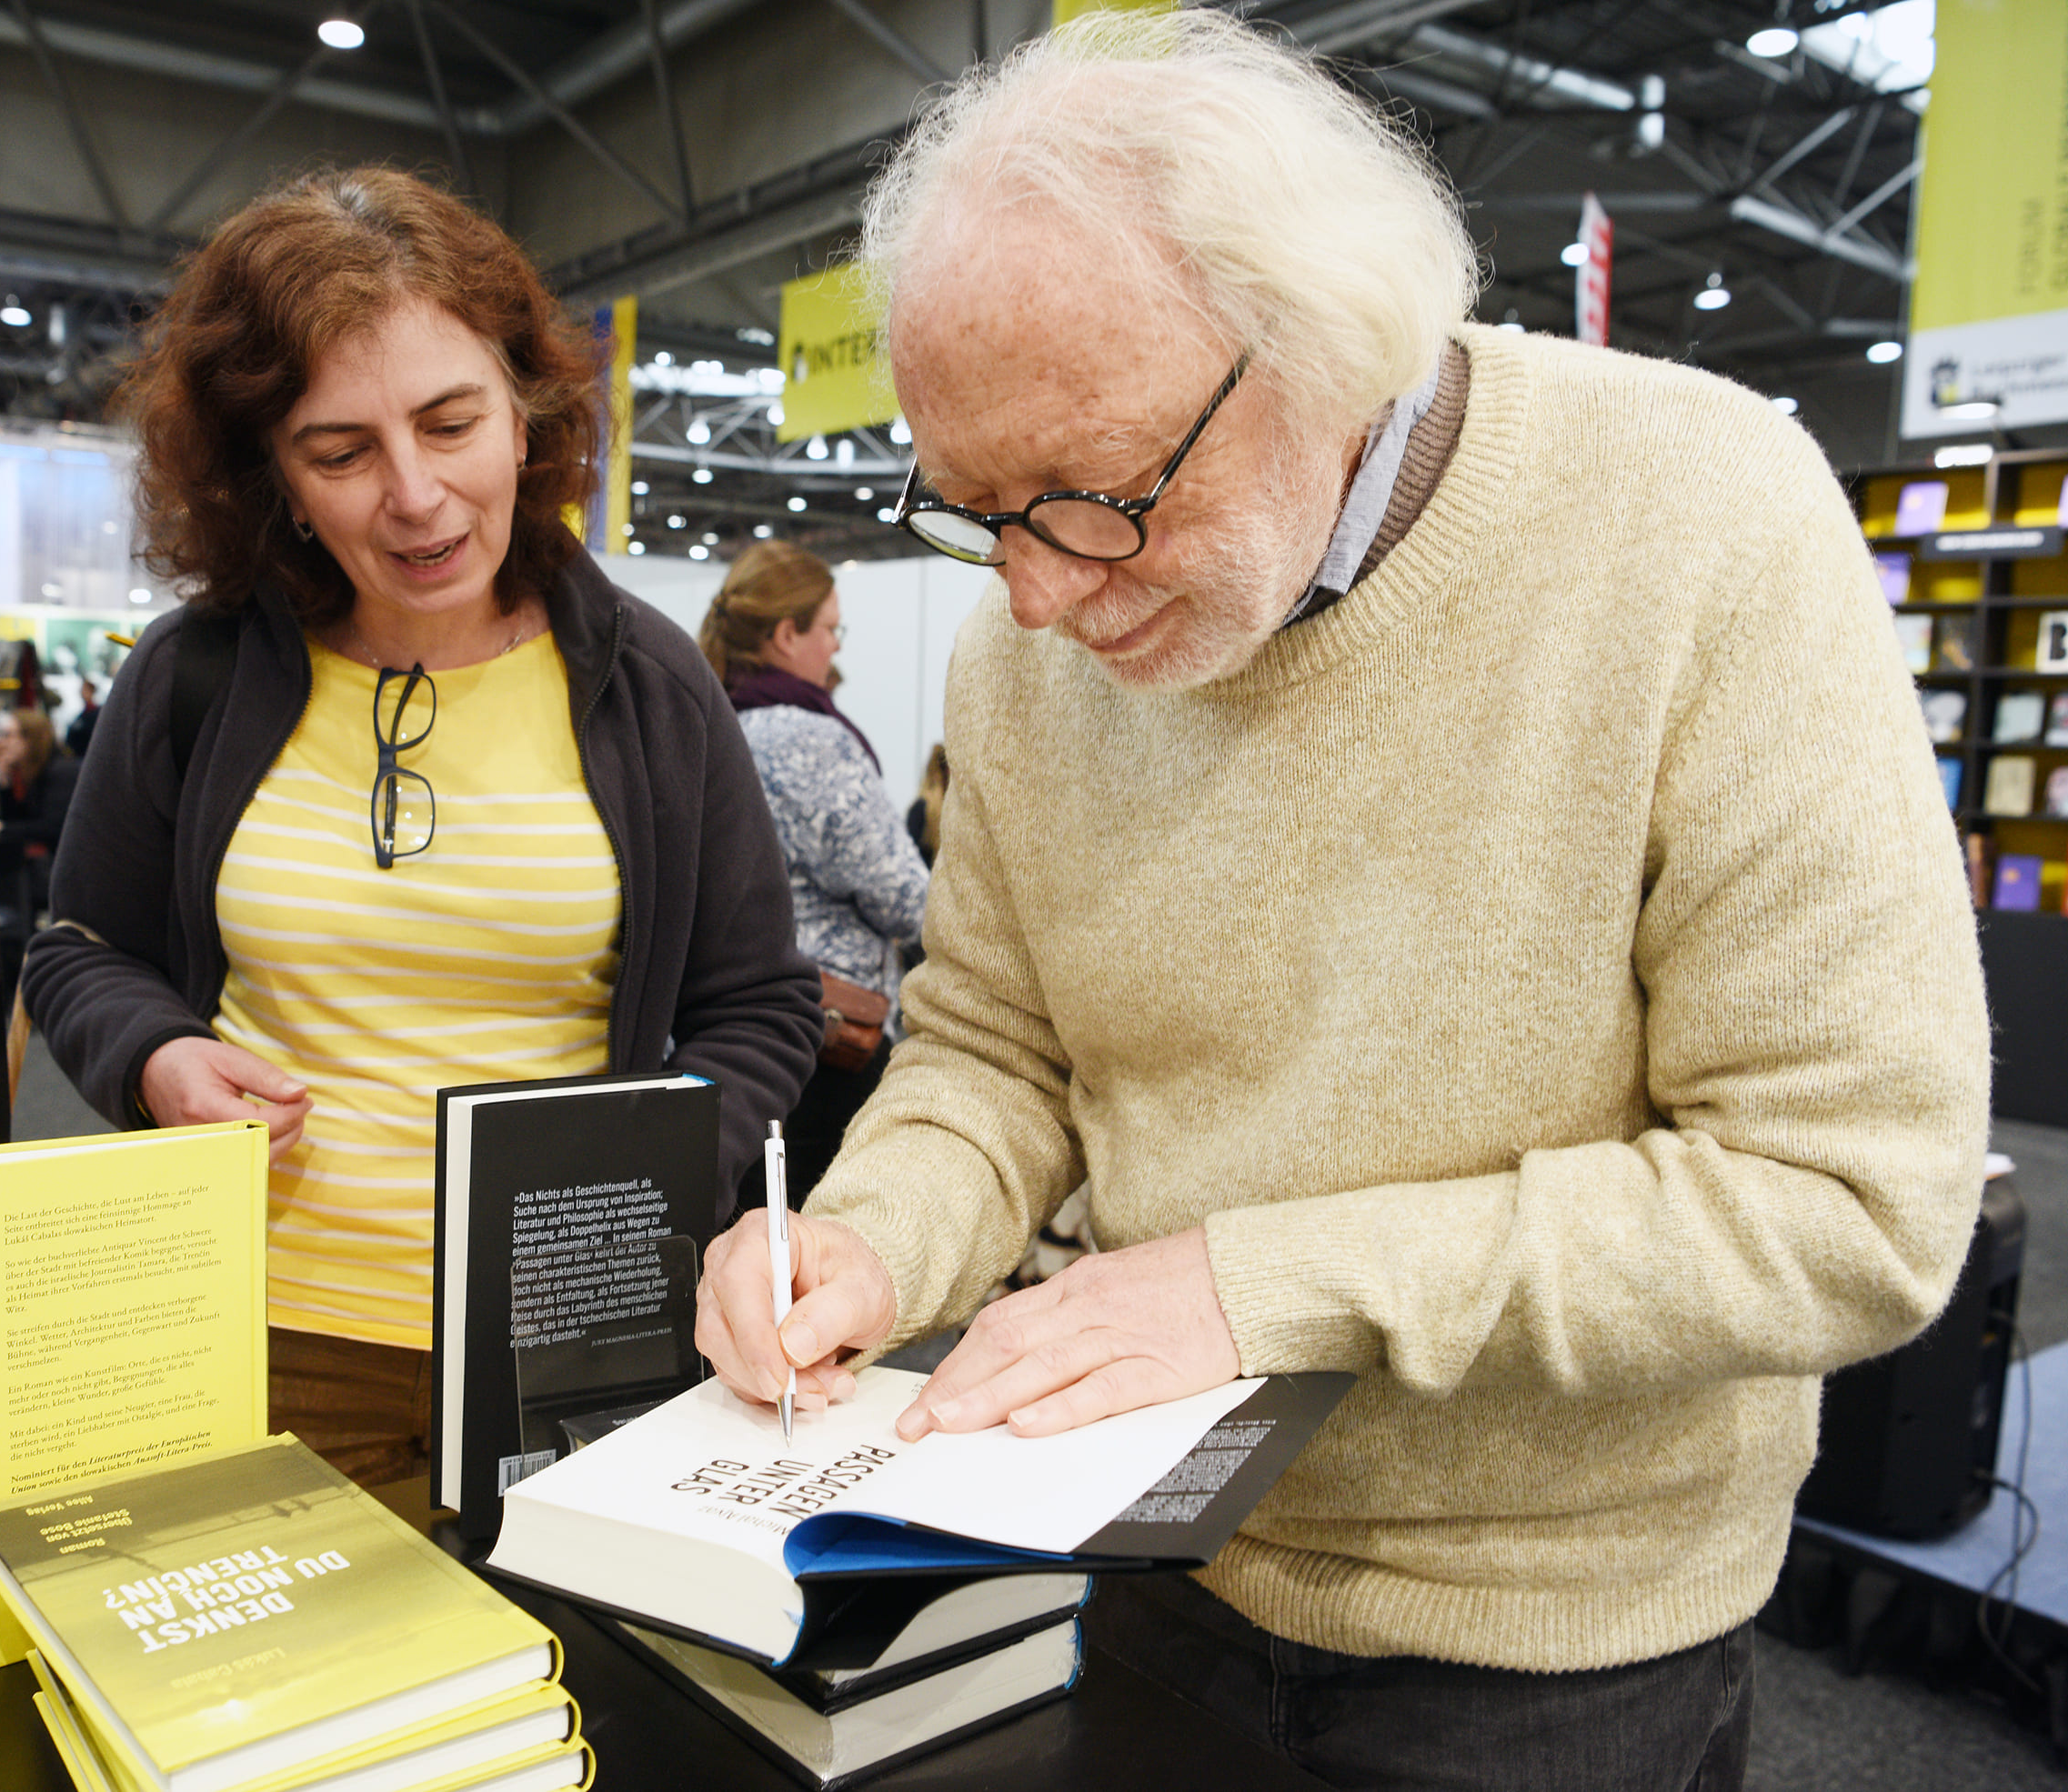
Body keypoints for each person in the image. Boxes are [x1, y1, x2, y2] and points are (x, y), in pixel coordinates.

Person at [694, 15, 1989, 1790]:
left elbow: (1856, 1199)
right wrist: (873, 1236)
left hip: (1552, 1643)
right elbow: (992, 1055)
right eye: (972, 509)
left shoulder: (1704, 525)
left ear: (1328, 347)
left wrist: (1263, 1286)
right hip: (1141, 1553)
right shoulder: (1027, 654)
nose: (1037, 599)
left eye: (1095, 499)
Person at [23, 167, 818, 1487]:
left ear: (526, 411)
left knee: (575, 1687)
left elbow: (761, 1008)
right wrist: (159, 1055)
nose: (414, 493)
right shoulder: (194, 676)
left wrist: (642, 1165)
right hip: (268, 1334)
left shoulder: (647, 682)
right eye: (340, 451)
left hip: (576, 1344)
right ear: (272, 475)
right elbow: (77, 947)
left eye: (451, 422)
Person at [698, 542, 928, 1206]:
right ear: (785, 633)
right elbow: (899, 894)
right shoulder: (806, 738)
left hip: (732, 1038)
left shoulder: (713, 719)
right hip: (827, 1040)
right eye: (829, 629)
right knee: (822, 1242)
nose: (835, 648)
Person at [0, 706, 79, 982]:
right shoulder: (34, 774)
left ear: (31, 739)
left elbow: (50, 828)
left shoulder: (60, 771)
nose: (2, 743)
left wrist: (2, 828)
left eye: (9, 735)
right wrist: (3, 781)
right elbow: (18, 820)